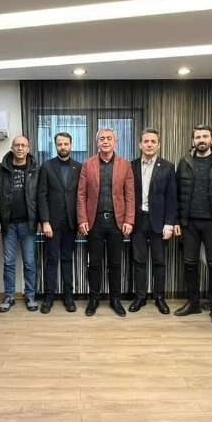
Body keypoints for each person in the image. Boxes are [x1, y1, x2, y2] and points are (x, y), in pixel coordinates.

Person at [173, 125, 212, 325]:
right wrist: (177, 220)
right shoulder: (185, 161)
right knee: (190, 263)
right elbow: (177, 192)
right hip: (189, 223)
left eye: (205, 136)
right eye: (197, 137)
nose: (201, 140)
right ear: (193, 140)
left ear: (211, 138)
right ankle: (193, 303)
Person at [77, 128, 135, 317]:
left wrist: (129, 220)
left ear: (115, 141)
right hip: (94, 222)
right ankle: (93, 299)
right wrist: (82, 219)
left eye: (109, 138)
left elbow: (130, 195)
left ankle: (115, 299)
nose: (105, 141)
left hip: (117, 222)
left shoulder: (125, 165)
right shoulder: (88, 164)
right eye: (102, 138)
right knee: (94, 263)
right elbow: (81, 194)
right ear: (97, 142)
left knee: (115, 263)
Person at [128, 128, 177, 315]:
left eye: (153, 141)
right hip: (138, 221)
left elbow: (172, 197)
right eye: (146, 141)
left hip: (159, 222)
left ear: (158, 145)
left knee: (159, 261)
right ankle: (140, 297)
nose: (149, 144)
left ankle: (159, 297)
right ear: (140, 144)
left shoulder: (168, 167)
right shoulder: (131, 166)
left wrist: (169, 223)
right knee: (138, 260)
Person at [0, 135, 40, 313]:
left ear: (28, 148)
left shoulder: (36, 169)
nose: (20, 148)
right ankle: (9, 296)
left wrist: (41, 220)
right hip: (8, 224)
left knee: (29, 262)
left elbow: (41, 196)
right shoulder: (0, 169)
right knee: (9, 262)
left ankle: (30, 295)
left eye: (23, 145)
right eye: (17, 145)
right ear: (12, 147)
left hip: (28, 223)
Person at [37, 132, 81, 314]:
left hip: (71, 223)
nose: (63, 147)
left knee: (67, 259)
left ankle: (68, 296)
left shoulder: (79, 167)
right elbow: (41, 195)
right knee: (51, 260)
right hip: (52, 224)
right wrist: (45, 221)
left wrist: (81, 221)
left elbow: (81, 196)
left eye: (66, 143)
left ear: (71, 145)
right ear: (55, 146)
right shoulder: (47, 166)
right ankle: (48, 297)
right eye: (60, 144)